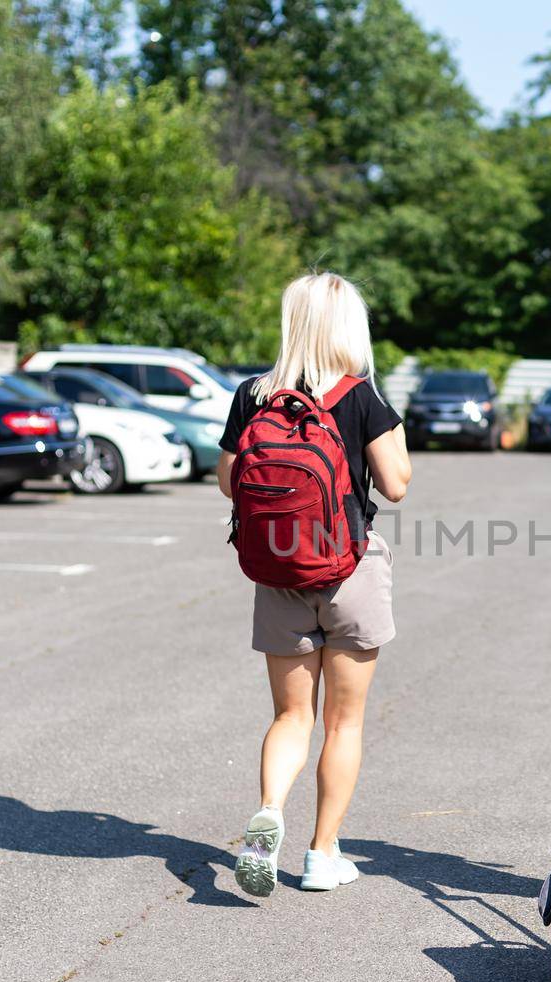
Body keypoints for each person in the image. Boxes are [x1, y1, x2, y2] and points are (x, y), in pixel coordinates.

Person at [217, 273, 411, 895]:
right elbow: (397, 483)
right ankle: (322, 855)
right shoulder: (362, 398)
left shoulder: (253, 395)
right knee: (344, 723)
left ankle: (269, 811)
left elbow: (228, 482)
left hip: (277, 570)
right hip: (349, 566)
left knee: (291, 714)